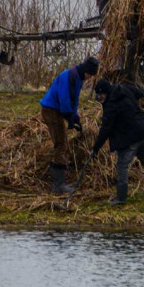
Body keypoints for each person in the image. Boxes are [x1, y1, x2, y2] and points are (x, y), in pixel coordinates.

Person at [91, 79, 144, 206]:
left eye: (100, 96)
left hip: (130, 137)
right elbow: (139, 93)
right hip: (142, 130)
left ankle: (121, 198)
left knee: (122, 165)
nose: (99, 98)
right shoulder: (123, 88)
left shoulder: (111, 105)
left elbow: (106, 129)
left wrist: (95, 149)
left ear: (104, 92)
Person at [39, 56, 99, 194]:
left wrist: (75, 117)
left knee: (63, 144)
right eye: (90, 74)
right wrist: (69, 117)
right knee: (62, 145)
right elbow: (64, 100)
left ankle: (58, 182)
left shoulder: (77, 78)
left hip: (57, 110)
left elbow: (74, 100)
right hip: (51, 110)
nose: (90, 78)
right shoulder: (69, 77)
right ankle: (58, 185)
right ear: (86, 70)